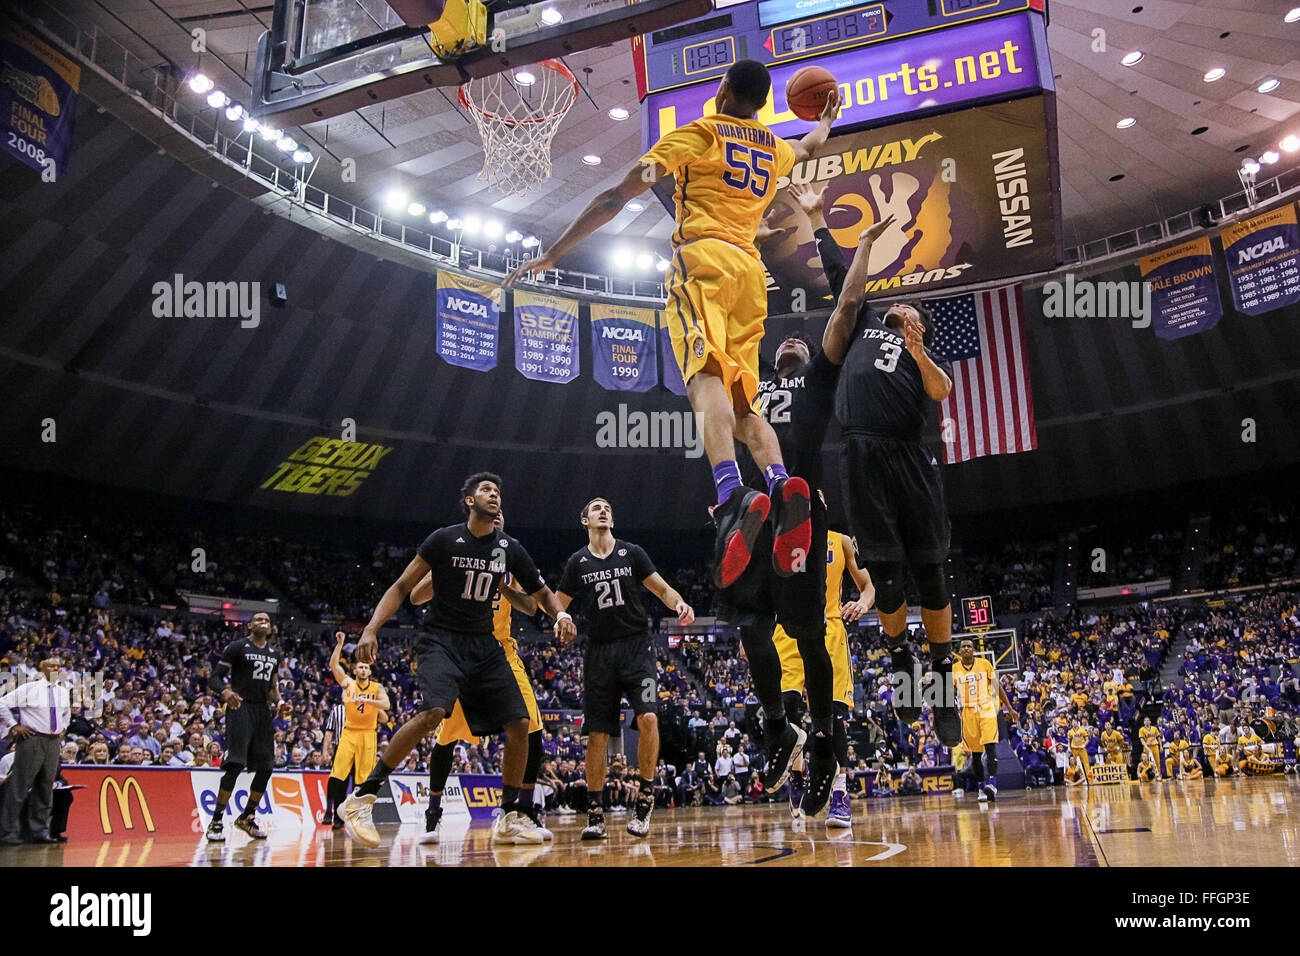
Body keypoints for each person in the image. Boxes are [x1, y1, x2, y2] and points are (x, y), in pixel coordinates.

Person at [505, 61, 841, 596]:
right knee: (744, 408)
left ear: (724, 90)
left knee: (703, 380)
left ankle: (731, 496)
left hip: (702, 263)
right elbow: (807, 150)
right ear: (761, 102)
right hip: (752, 275)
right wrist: (826, 121)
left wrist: (553, 252)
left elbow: (616, 197)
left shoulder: (701, 132)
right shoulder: (773, 145)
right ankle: (779, 486)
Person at [339, 473, 576, 848]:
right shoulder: (444, 540)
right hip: (441, 641)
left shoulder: (509, 549)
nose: (494, 495)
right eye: (486, 490)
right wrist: (370, 629)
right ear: (469, 501)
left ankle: (510, 814)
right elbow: (404, 588)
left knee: (519, 723)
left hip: (485, 645)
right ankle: (363, 797)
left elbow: (541, 593)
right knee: (434, 714)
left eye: (498, 491)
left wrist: (560, 614)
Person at [833, 248, 960, 746]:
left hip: (907, 456)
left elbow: (942, 391)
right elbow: (845, 283)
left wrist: (919, 348)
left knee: (929, 569)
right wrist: (826, 225)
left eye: (913, 309)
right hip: (861, 454)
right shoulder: (863, 322)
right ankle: (901, 660)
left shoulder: (920, 352)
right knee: (885, 577)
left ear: (920, 324)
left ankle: (943, 676)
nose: (903, 307)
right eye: (899, 305)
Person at [555, 497, 694, 839]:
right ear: (584, 520)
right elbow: (558, 602)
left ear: (612, 521)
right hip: (599, 653)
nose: (603, 511)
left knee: (648, 717)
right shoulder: (578, 562)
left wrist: (679, 603)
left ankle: (644, 799)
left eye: (607, 509)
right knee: (598, 734)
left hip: (637, 649)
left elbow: (661, 588)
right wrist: (562, 617)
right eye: (596, 508)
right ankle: (595, 813)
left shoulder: (632, 552)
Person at [411, 510, 552, 845]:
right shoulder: (455, 554)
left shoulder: (512, 561)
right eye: (493, 515)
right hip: (460, 650)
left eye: (503, 515)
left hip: (502, 653)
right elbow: (416, 596)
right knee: (445, 737)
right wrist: (444, 572)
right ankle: (433, 814)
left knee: (532, 729)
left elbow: (532, 608)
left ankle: (522, 812)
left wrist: (503, 585)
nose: (498, 518)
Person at [779, 519, 876, 827]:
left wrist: (862, 602)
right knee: (787, 713)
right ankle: (796, 775)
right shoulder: (781, 535)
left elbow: (868, 585)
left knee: (833, 716)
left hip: (829, 628)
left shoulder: (842, 541)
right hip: (787, 630)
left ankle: (839, 794)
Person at [205, 613, 280, 841]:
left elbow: (273, 689)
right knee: (235, 764)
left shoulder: (274, 654)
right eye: (258, 619)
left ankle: (247, 817)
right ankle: (216, 821)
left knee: (267, 767)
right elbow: (214, 678)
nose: (262, 622)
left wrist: (282, 703)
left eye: (266, 620)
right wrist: (226, 692)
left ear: (270, 628)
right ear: (250, 626)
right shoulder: (237, 647)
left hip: (262, 711)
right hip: (240, 707)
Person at [323, 631, 390, 830]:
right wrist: (340, 644)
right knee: (337, 775)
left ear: (369, 671)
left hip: (368, 735)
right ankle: (334, 812)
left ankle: (359, 815)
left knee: (363, 779)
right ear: (355, 670)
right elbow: (333, 666)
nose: (362, 669)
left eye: (366, 667)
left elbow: (386, 704)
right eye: (359, 666)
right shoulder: (348, 684)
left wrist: (369, 701)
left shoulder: (377, 687)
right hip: (349, 733)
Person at [0, 657, 71, 845]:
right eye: (51, 665)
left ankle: (40, 831)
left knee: (46, 787)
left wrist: (63, 727)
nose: (56, 668)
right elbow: (2, 703)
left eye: (58, 665)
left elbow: (66, 713)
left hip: (53, 741)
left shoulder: (63, 692)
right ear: (42, 667)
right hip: (32, 739)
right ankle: (9, 832)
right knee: (19, 786)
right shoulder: (29, 688)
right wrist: (14, 726)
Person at [952, 640, 1017, 801]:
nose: (966, 648)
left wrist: (1010, 708)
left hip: (986, 709)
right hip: (967, 711)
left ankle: (992, 784)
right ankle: (981, 787)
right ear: (959, 651)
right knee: (975, 755)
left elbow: (997, 687)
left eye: (969, 646)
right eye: (963, 647)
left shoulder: (985, 664)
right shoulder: (954, 669)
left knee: (990, 747)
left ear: (974, 650)